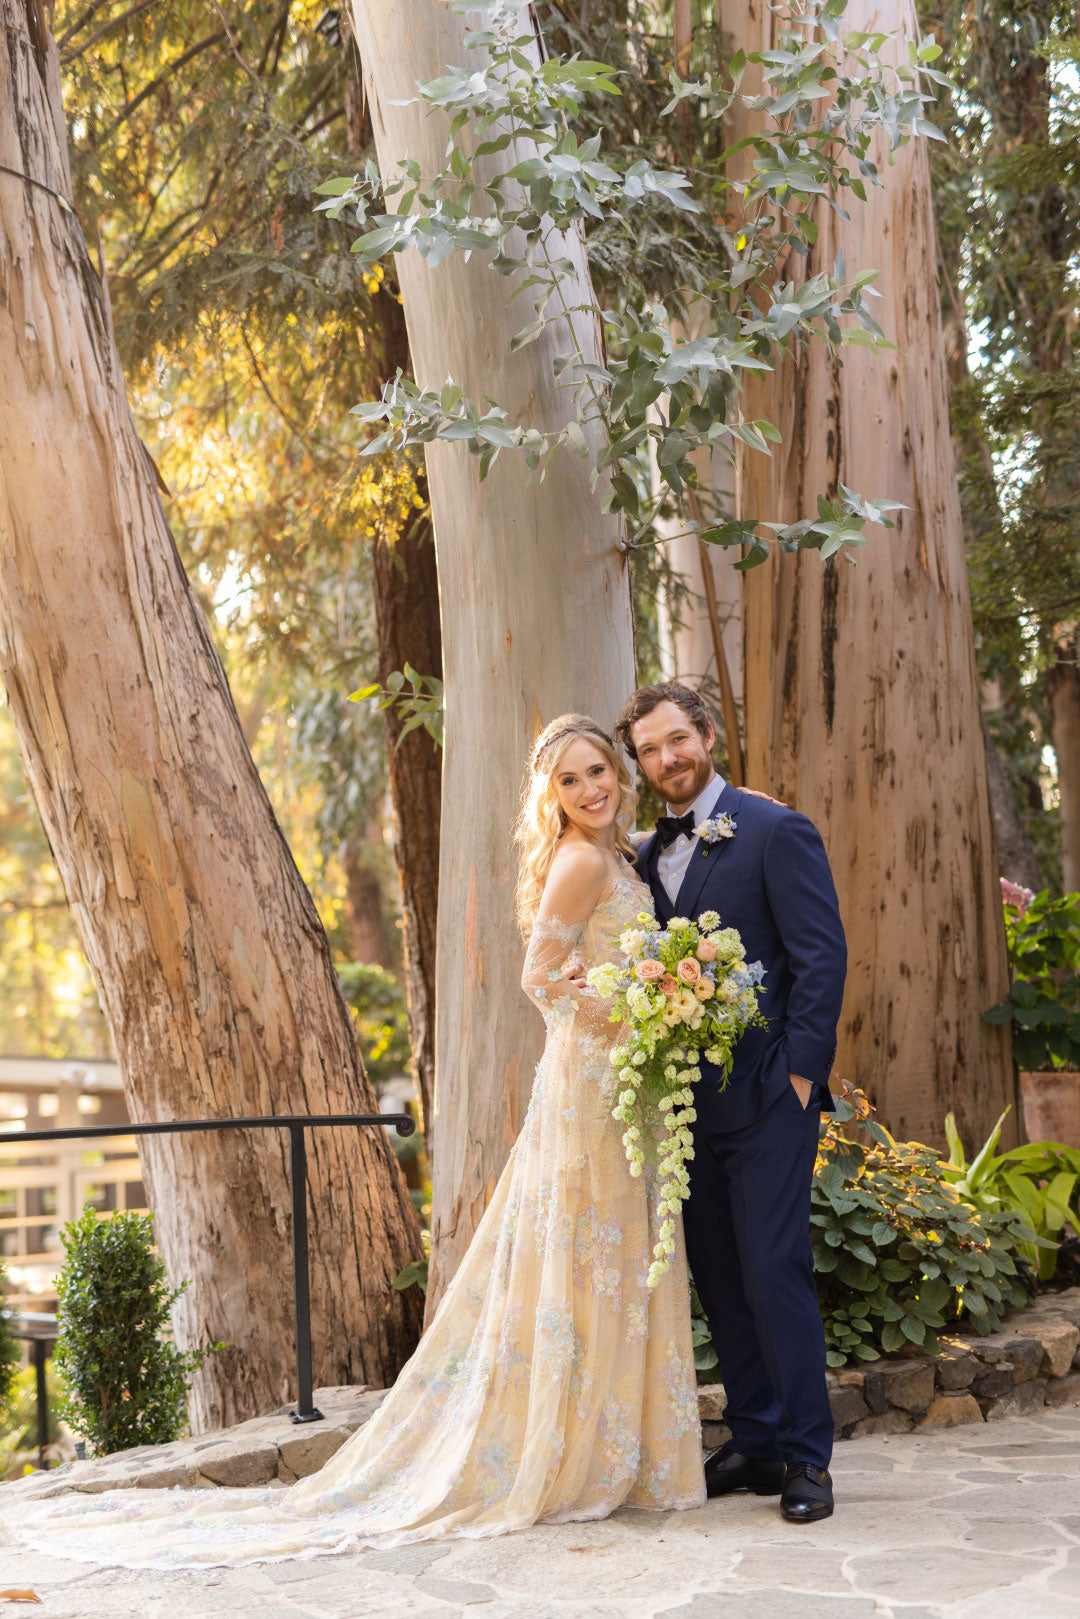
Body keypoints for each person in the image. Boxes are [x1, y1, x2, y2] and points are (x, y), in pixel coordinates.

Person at [8, 715, 704, 1571]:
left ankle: (607, 1446)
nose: (590, 788)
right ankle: (572, 1453)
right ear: (549, 797)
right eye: (569, 780)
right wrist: (636, 1002)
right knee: (587, 1254)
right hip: (591, 1084)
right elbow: (539, 978)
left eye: (597, 769)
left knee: (609, 1254)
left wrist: (659, 998)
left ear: (617, 771)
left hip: (622, 1086)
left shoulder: (622, 853)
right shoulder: (581, 859)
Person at [615, 682, 847, 1525]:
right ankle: (754, 1437)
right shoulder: (641, 856)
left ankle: (808, 1457)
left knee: (773, 1267)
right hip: (685, 1111)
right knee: (716, 1273)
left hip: (768, 1098)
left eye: (678, 739)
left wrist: (800, 1076)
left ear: (706, 735)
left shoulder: (774, 828)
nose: (668, 758)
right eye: (650, 749)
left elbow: (820, 956)